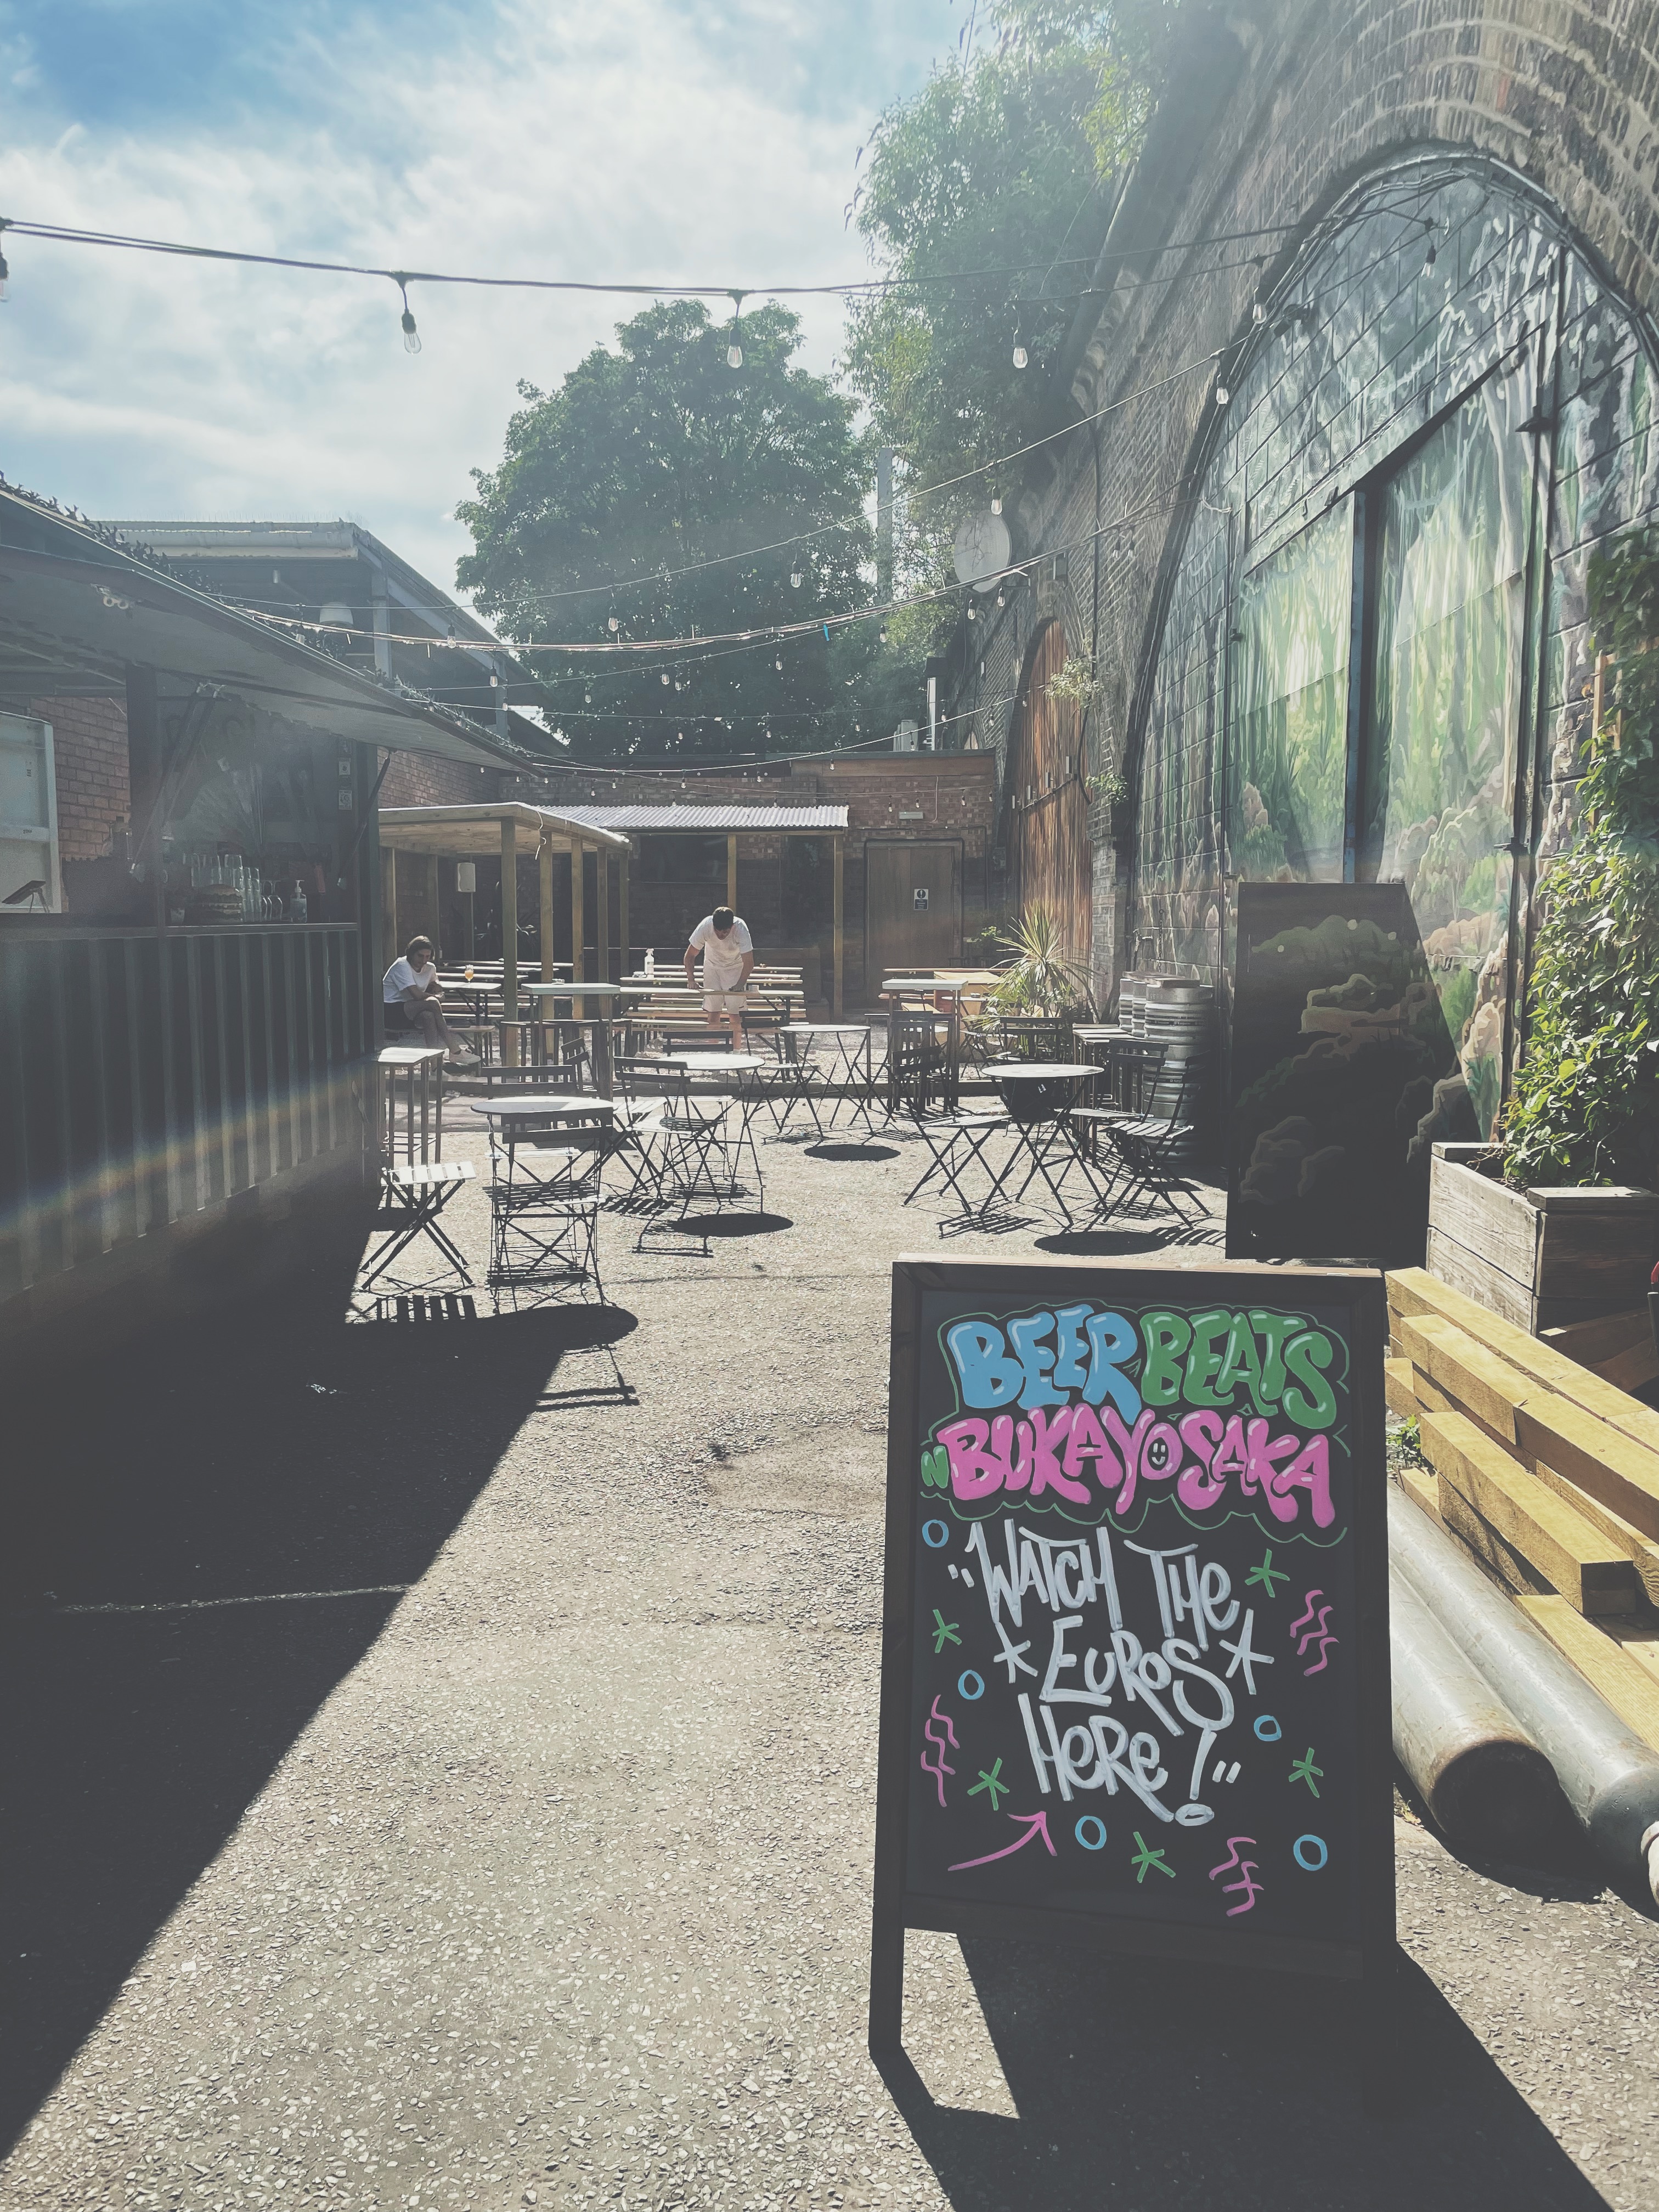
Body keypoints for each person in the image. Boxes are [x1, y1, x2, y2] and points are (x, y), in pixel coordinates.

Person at [383, 935, 478, 1067]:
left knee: (429, 1016)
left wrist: (437, 987)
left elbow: (436, 986)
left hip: (411, 1011)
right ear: (411, 954)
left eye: (427, 957)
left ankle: (435, 1066)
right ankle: (454, 1049)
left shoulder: (430, 968)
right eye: (420, 956)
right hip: (390, 1011)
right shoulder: (402, 965)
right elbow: (417, 995)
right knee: (432, 1003)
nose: (423, 960)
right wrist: (437, 997)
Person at [684, 905, 754, 1050]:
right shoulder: (706, 926)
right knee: (714, 1011)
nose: (721, 935)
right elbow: (690, 955)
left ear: (732, 927)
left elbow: (749, 962)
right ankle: (712, 1050)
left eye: (725, 932)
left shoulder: (741, 929)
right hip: (712, 966)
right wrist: (691, 979)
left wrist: (740, 984)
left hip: (735, 967)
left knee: (734, 1013)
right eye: (717, 931)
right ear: (713, 926)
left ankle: (736, 1051)